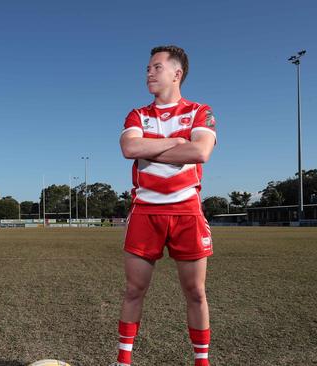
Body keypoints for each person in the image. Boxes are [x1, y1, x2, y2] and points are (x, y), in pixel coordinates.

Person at [112, 45, 217, 366]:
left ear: (177, 73)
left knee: (195, 293)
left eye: (156, 67)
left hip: (187, 213)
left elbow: (200, 153)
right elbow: (130, 148)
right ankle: (123, 361)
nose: (148, 73)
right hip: (145, 212)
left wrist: (152, 149)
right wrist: (175, 142)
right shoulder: (138, 114)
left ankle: (202, 362)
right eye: (147, 68)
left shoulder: (200, 111)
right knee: (133, 290)